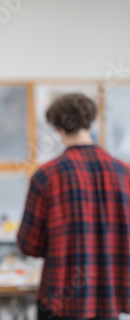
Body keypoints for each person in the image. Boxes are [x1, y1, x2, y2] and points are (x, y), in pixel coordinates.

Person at [17, 93, 130, 320]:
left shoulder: (46, 176)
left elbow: (30, 245)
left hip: (60, 299)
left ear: (58, 128)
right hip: (108, 298)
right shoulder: (124, 174)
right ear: (91, 123)